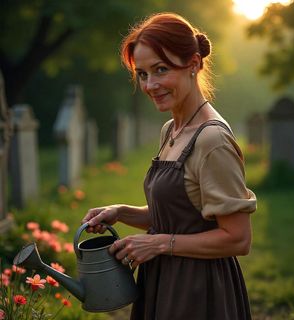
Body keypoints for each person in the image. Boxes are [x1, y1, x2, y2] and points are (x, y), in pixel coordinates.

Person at [82, 12, 257, 320]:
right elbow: (183, 214)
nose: (150, 85)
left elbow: (237, 238)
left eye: (161, 70)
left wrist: (158, 244)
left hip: (198, 291)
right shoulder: (172, 129)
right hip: (163, 278)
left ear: (193, 65)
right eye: (143, 74)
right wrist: (122, 212)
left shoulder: (212, 139)